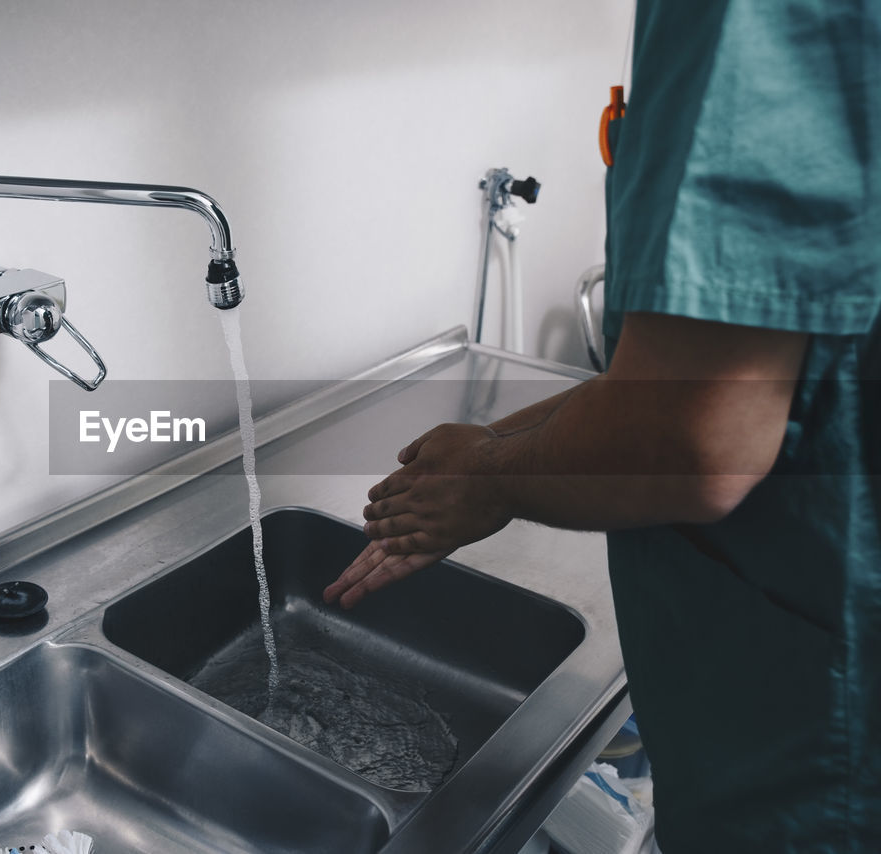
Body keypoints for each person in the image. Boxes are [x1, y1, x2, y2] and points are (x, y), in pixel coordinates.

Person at [323, 2, 880, 851]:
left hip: (813, 751)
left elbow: (698, 438)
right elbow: (699, 382)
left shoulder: (747, 18)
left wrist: (490, 476)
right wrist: (490, 452)